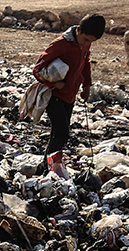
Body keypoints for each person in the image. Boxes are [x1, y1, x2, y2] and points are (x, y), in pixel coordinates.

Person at [32, 13, 105, 179]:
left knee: (59, 133)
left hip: (70, 96)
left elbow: (85, 63)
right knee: (62, 132)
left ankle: (48, 165)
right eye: (86, 39)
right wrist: (54, 84)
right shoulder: (60, 45)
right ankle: (49, 169)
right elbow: (37, 69)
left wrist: (86, 85)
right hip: (54, 95)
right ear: (78, 30)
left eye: (91, 42)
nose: (87, 44)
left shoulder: (84, 45)